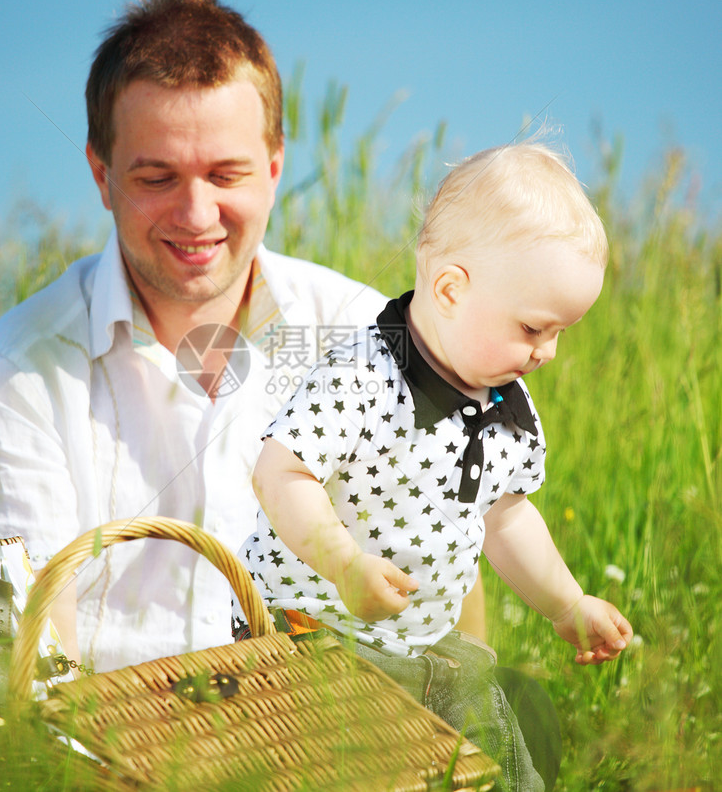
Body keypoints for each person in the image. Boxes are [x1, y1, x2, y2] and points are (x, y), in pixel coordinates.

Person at [0, 0, 387, 674]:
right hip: (102, 760)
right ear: (101, 174)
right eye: (157, 178)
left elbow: (435, 590)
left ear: (273, 169)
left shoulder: (365, 334)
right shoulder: (12, 378)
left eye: (225, 173)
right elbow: (26, 661)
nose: (196, 214)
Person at [238, 142, 633, 791]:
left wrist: (567, 603)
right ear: (450, 288)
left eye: (562, 332)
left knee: (504, 767)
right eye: (534, 329)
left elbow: (506, 515)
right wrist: (343, 563)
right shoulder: (364, 376)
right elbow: (281, 473)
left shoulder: (503, 397)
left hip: (428, 647)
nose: (549, 353)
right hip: (315, 637)